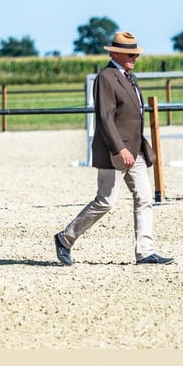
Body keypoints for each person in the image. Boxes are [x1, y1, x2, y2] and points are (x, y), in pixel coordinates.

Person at [54, 31, 174, 266]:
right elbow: (105, 118)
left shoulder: (129, 77)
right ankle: (65, 238)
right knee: (106, 201)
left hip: (136, 150)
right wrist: (120, 149)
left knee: (145, 198)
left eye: (136, 54)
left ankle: (146, 252)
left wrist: (135, 147)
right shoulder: (106, 78)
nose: (134, 58)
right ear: (115, 53)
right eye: (130, 54)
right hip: (115, 151)